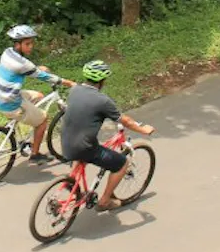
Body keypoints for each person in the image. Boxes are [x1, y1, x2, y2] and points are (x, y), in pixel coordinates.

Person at [60, 60, 154, 211]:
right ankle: (105, 201)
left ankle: (71, 183)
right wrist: (144, 129)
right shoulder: (103, 101)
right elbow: (126, 121)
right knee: (121, 164)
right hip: (84, 147)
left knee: (82, 151)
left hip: (65, 141)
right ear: (102, 80)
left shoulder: (74, 90)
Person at [0, 25, 74, 163]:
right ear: (18, 44)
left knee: (39, 96)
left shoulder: (7, 53)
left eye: (31, 43)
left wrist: (37, 69)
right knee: (43, 121)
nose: (31, 46)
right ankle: (35, 154)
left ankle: (27, 121)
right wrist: (69, 83)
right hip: (12, 102)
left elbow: (28, 68)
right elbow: (44, 76)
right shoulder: (22, 64)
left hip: (0, 96)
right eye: (27, 44)